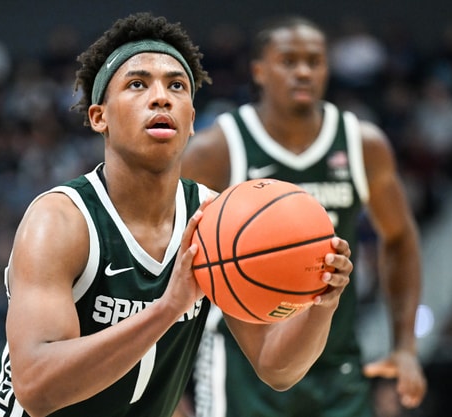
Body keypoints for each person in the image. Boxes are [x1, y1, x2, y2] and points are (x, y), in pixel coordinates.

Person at [0, 12, 355, 417]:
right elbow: (36, 389)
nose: (161, 97)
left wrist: (321, 305)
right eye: (137, 84)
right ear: (99, 117)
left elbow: (276, 368)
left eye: (177, 86)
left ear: (191, 120)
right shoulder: (61, 221)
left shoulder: (217, 222)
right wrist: (167, 309)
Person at [181, 15, 426, 417]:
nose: (303, 71)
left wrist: (405, 346)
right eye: (288, 61)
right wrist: (168, 386)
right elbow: (170, 257)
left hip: (336, 362)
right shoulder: (216, 151)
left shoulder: (362, 145)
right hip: (242, 364)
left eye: (314, 61)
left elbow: (399, 237)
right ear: (259, 70)